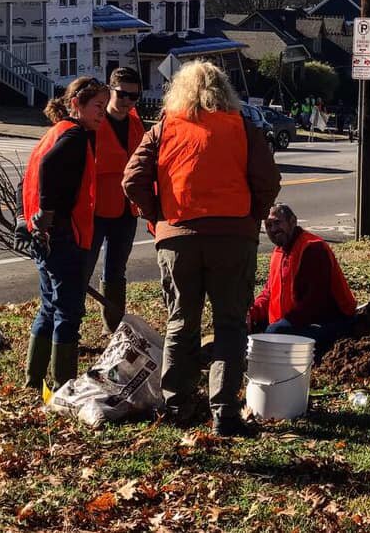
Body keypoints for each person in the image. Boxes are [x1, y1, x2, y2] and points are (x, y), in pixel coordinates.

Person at [122, 61, 280, 437]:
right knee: (229, 326)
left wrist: (159, 214)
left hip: (178, 237)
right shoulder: (242, 127)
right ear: (224, 91)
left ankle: (177, 405)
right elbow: (268, 180)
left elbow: (132, 179)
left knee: (181, 322)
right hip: (233, 237)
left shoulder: (164, 128)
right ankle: (224, 412)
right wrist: (250, 217)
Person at [15, 77, 110, 390]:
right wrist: (48, 211)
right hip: (65, 234)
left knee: (49, 306)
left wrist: (26, 218)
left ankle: (33, 379)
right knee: (68, 311)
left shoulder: (53, 134)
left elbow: (25, 179)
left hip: (44, 235)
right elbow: (49, 169)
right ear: (76, 105)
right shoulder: (75, 137)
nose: (102, 113)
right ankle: (63, 383)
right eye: (98, 106)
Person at [82, 67, 145, 334]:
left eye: (134, 97)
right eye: (122, 95)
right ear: (110, 92)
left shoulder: (135, 124)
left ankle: (114, 328)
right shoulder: (94, 123)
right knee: (82, 271)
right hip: (95, 212)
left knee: (116, 272)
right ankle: (69, 327)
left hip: (126, 211)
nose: (128, 102)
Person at [248, 204, 357, 351]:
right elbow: (269, 293)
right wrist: (251, 314)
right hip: (294, 321)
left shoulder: (312, 248)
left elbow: (316, 302)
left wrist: (281, 324)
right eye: (268, 225)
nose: (273, 229)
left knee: (274, 334)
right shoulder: (278, 252)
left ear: (293, 221)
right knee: (247, 328)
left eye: (277, 222)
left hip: (328, 323)